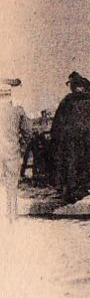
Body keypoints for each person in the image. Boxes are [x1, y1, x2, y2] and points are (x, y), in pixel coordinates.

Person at [50, 73, 90, 206]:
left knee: (71, 163)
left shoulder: (67, 101)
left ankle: (71, 190)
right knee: (85, 161)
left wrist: (56, 137)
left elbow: (58, 122)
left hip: (70, 138)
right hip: (87, 137)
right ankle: (82, 187)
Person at [1, 78, 23, 224]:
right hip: (12, 153)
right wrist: (21, 148)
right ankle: (12, 216)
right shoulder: (17, 111)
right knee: (12, 187)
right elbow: (27, 132)